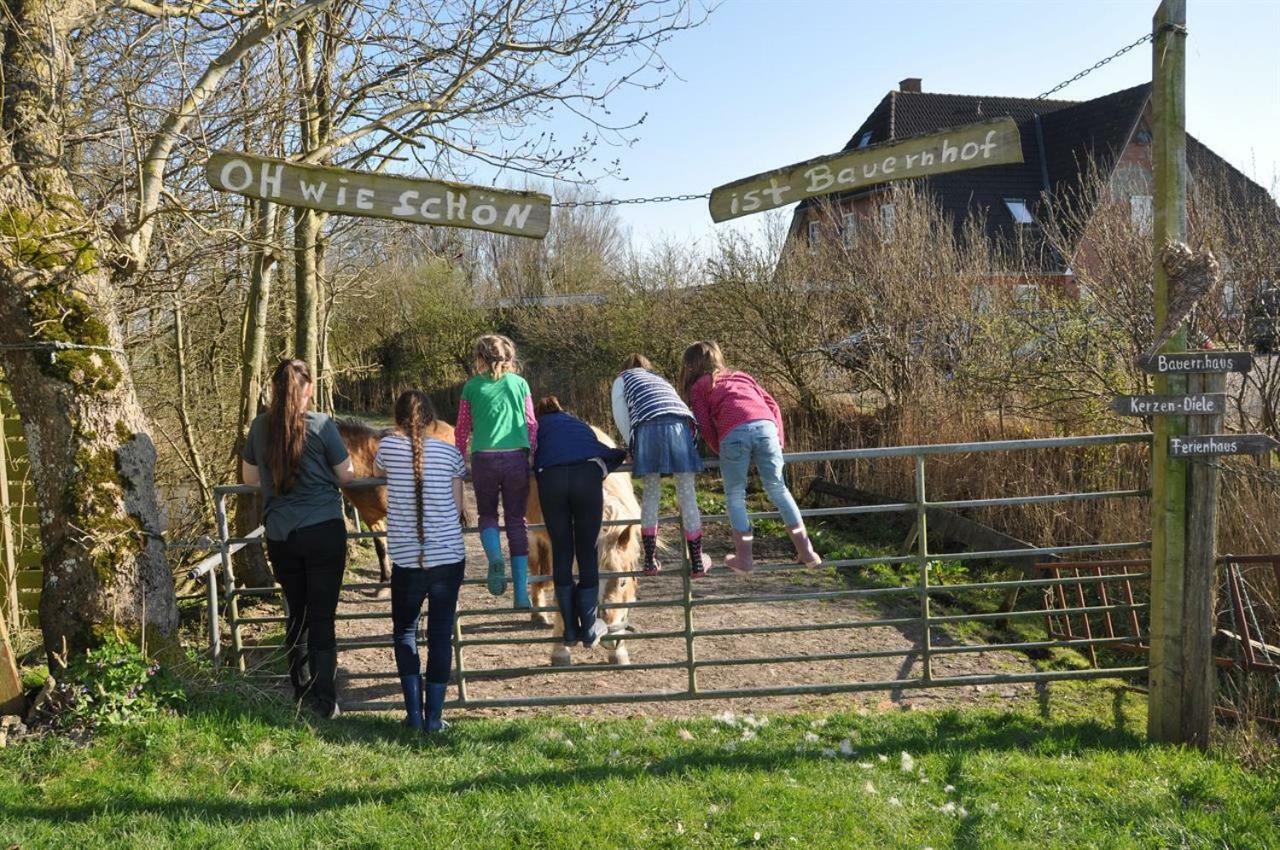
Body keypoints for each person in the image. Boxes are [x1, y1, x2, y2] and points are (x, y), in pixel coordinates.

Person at [241, 359, 355, 719]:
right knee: (322, 617)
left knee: (297, 612)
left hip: (281, 533)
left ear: (274, 389)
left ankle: (300, 690)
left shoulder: (260, 427)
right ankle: (326, 700)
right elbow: (347, 475)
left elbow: (248, 479)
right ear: (307, 389)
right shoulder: (321, 425)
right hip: (323, 530)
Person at [679, 341, 821, 574]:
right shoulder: (742, 376)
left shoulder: (700, 386)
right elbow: (772, 405)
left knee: (735, 494)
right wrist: (778, 441)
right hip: (767, 428)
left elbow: (703, 423)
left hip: (733, 433)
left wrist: (718, 447)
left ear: (691, 366)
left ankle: (744, 558)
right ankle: (807, 551)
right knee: (778, 489)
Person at [375, 390, 467, 733]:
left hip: (407, 560)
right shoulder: (450, 454)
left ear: (397, 419)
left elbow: (375, 471)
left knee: (405, 633)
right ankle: (434, 719)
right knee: (442, 636)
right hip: (447, 558)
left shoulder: (386, 449)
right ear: (431, 419)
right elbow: (458, 509)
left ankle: (413, 716)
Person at [532, 396, 627, 650]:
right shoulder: (578, 424)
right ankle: (588, 627)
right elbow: (601, 452)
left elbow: (527, 457)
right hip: (586, 477)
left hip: (551, 480)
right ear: (561, 409)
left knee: (562, 550)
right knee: (587, 551)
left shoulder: (535, 427)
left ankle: (569, 630)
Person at [611, 354, 711, 578]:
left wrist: (632, 446)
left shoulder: (623, 379)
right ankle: (697, 560)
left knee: (651, 493)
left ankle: (650, 560)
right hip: (681, 425)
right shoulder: (659, 378)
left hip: (649, 427)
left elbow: (621, 415)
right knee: (687, 493)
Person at [455, 334, 537, 607]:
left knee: (487, 514)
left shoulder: (471, 388)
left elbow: (462, 429)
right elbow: (531, 423)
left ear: (480, 358)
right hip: (516, 458)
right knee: (517, 521)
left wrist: (458, 457)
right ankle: (522, 596)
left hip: (483, 459)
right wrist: (532, 454)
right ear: (510, 359)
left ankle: (494, 557)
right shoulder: (520, 384)